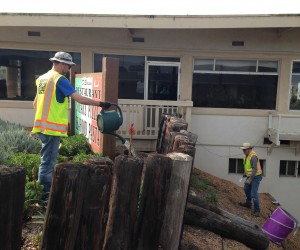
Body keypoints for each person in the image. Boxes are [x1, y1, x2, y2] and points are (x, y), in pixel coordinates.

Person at [32, 51, 111, 201]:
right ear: (61, 64)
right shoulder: (59, 80)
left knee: (47, 161)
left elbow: (35, 103)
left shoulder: (42, 79)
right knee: (48, 163)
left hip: (42, 127)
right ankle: (45, 199)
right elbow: (79, 99)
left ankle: (45, 195)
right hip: (51, 129)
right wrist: (101, 104)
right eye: (68, 67)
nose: (68, 70)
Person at [239, 142, 263, 217]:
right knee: (246, 188)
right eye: (243, 150)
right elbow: (247, 167)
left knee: (253, 193)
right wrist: (245, 174)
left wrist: (250, 180)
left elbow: (255, 170)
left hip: (256, 177)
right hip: (250, 176)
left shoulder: (253, 157)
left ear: (249, 149)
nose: (243, 151)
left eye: (245, 150)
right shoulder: (246, 156)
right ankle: (248, 203)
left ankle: (257, 210)